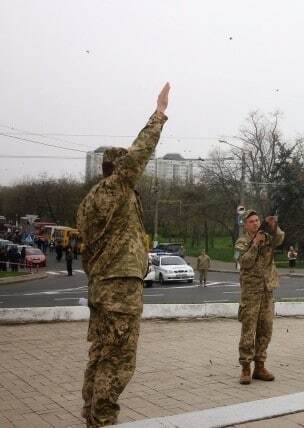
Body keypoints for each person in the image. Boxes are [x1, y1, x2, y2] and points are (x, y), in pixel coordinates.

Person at [77, 83, 170, 427]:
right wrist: (158, 115)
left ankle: (91, 411)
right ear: (117, 170)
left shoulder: (89, 201)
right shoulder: (116, 189)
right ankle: (102, 417)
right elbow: (139, 153)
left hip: (102, 285)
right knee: (119, 357)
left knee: (101, 352)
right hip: (119, 288)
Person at [234, 210, 284, 385]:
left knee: (266, 329)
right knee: (249, 330)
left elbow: (280, 239)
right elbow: (245, 262)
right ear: (245, 225)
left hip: (267, 290)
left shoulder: (268, 238)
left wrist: (274, 226)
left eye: (257, 220)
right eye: (251, 221)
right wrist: (255, 244)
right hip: (251, 292)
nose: (255, 223)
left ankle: (260, 366)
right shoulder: (242, 242)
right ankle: (246, 367)